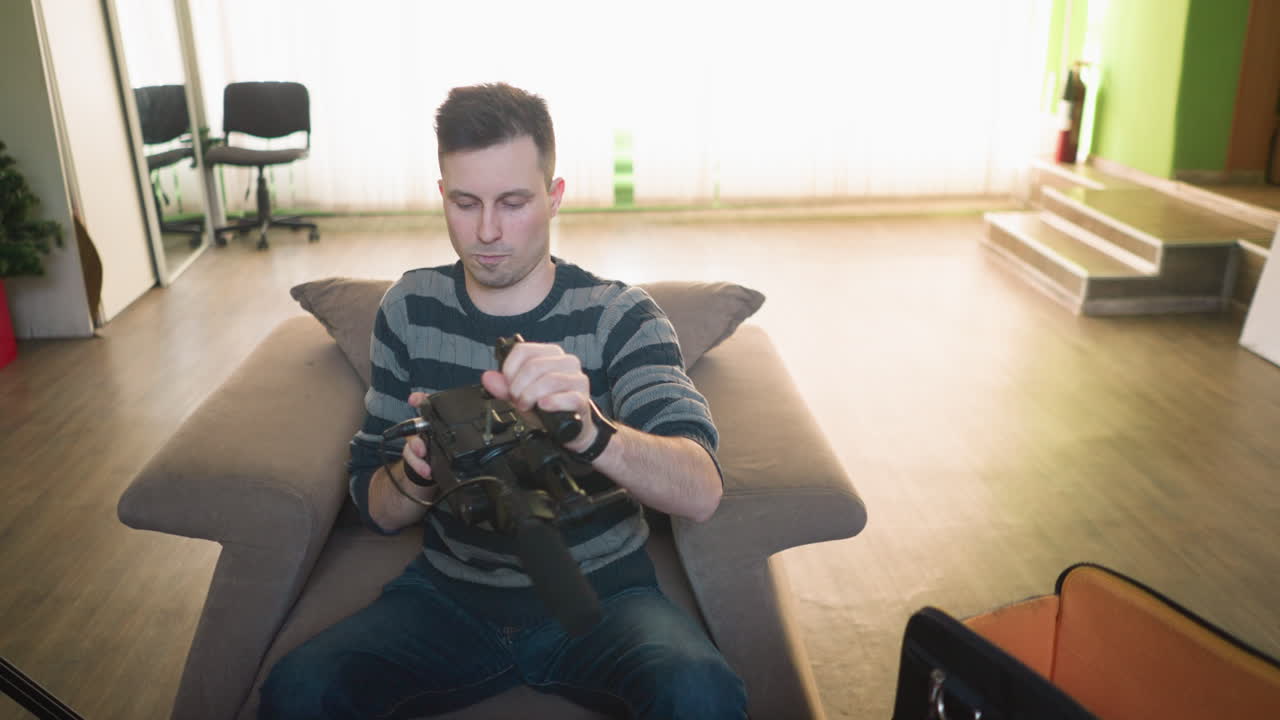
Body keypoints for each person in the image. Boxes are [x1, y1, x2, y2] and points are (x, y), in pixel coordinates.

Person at [259, 83, 747, 719]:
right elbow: (376, 507)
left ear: (554, 197)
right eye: (465, 203)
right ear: (443, 196)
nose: (486, 231)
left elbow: (702, 489)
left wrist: (591, 431)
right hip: (447, 600)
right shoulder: (409, 309)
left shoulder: (619, 315)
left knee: (700, 692)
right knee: (299, 688)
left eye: (513, 203)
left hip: (603, 600)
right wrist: (419, 470)